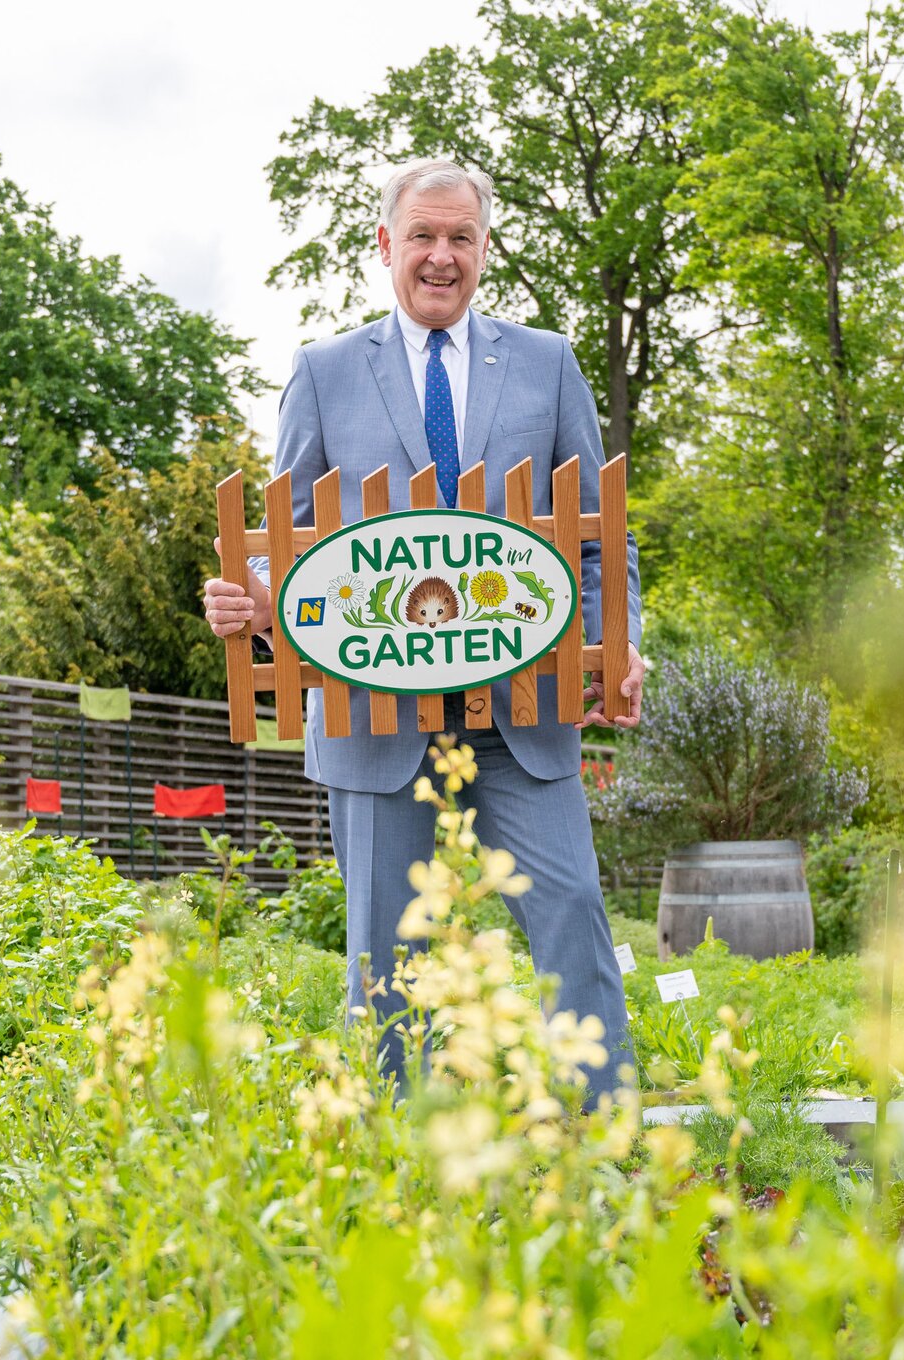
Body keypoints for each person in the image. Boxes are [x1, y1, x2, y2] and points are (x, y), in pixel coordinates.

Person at [203, 158, 644, 1098]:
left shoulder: (546, 362)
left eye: (462, 239)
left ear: (486, 249)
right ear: (386, 245)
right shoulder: (323, 373)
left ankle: (610, 1137)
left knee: (570, 909)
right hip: (375, 720)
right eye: (423, 237)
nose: (441, 257)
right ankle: (397, 1161)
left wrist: (617, 645)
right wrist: (254, 598)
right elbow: (282, 546)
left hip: (523, 714)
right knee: (388, 954)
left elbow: (602, 536)